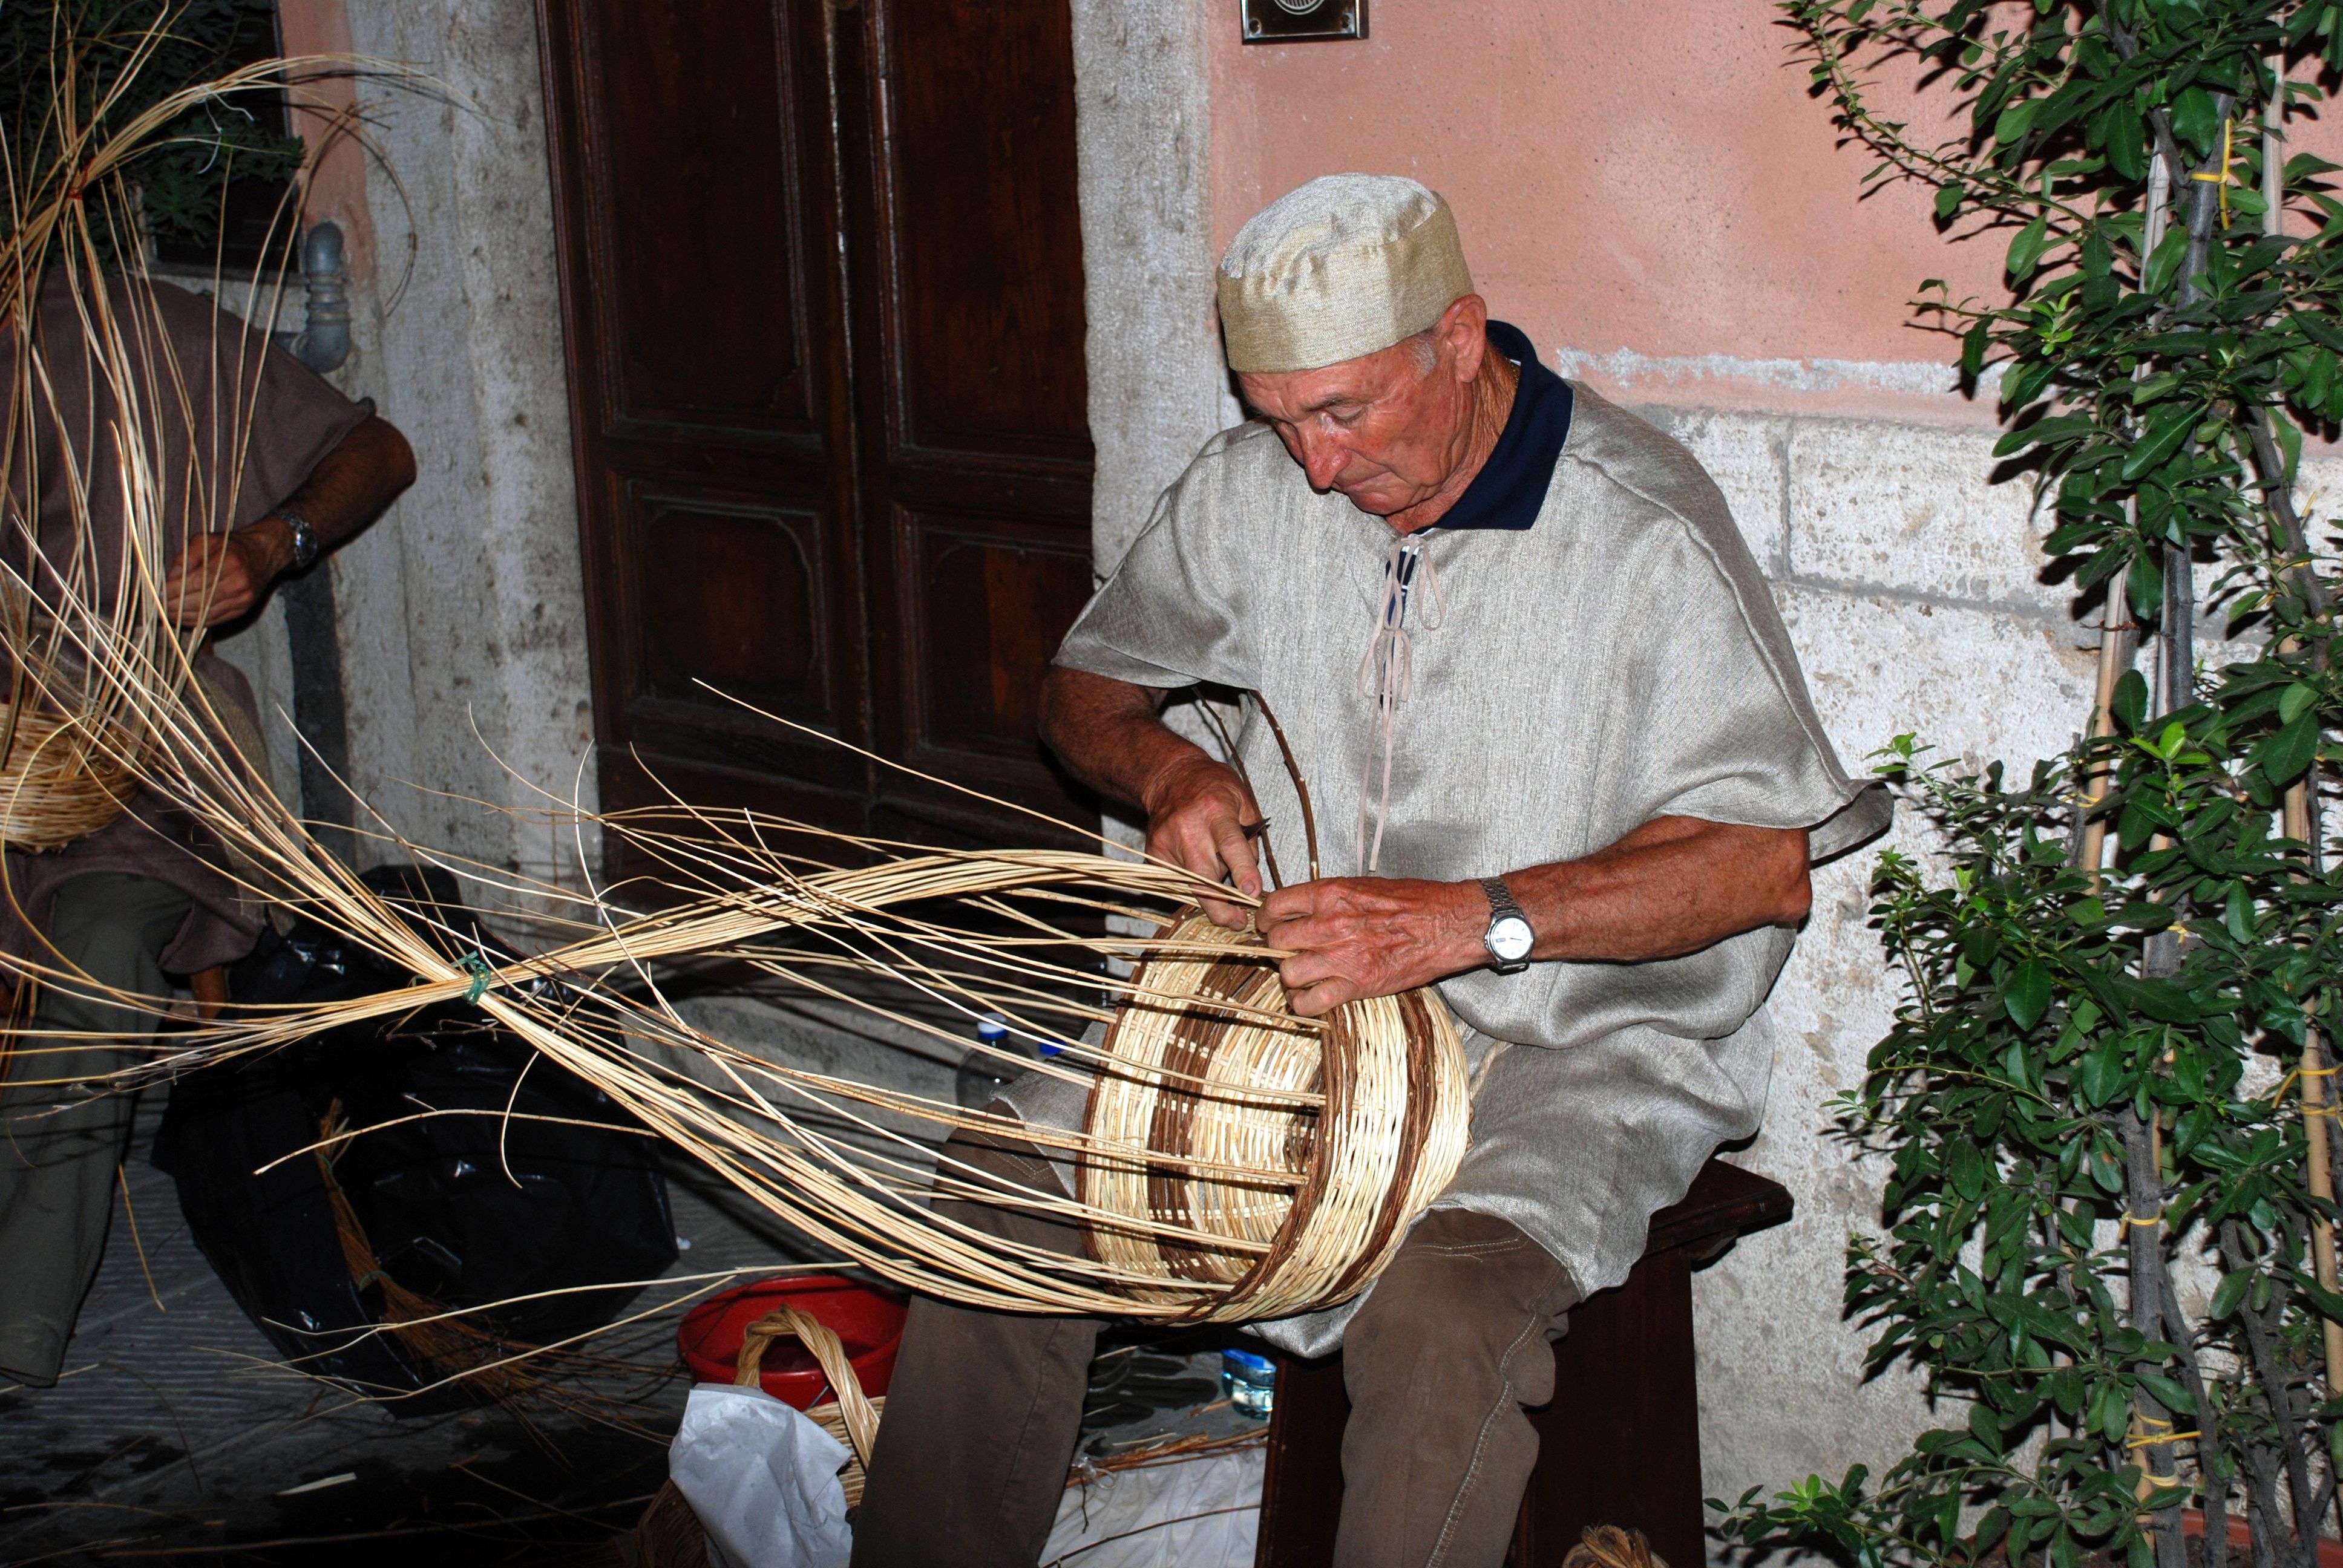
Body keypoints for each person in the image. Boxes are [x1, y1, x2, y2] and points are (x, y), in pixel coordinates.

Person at [851, 174, 1889, 1568]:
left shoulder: (1636, 531)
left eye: (1345, 412)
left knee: (1443, 1317)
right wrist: (1168, 770)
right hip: (1293, 1019)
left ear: (1458, 341)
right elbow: (1082, 691)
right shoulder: (1252, 491)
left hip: (1572, 1056)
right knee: (1006, 1198)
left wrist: (1473, 922)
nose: (1317, 469)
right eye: (1279, 422)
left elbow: (1758, 870)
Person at [0, 265, 415, 1387]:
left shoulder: (117, 332)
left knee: (95, 961)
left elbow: (378, 455)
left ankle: (13, 1328)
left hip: (136, 767)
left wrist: (268, 544)